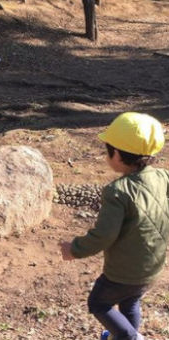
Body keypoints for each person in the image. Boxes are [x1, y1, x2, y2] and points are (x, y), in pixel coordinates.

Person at [60, 112, 169, 340]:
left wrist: (75, 248)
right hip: (153, 266)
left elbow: (104, 235)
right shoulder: (163, 177)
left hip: (122, 272)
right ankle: (120, 336)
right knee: (130, 301)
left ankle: (131, 338)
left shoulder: (117, 192)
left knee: (99, 302)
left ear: (117, 154)